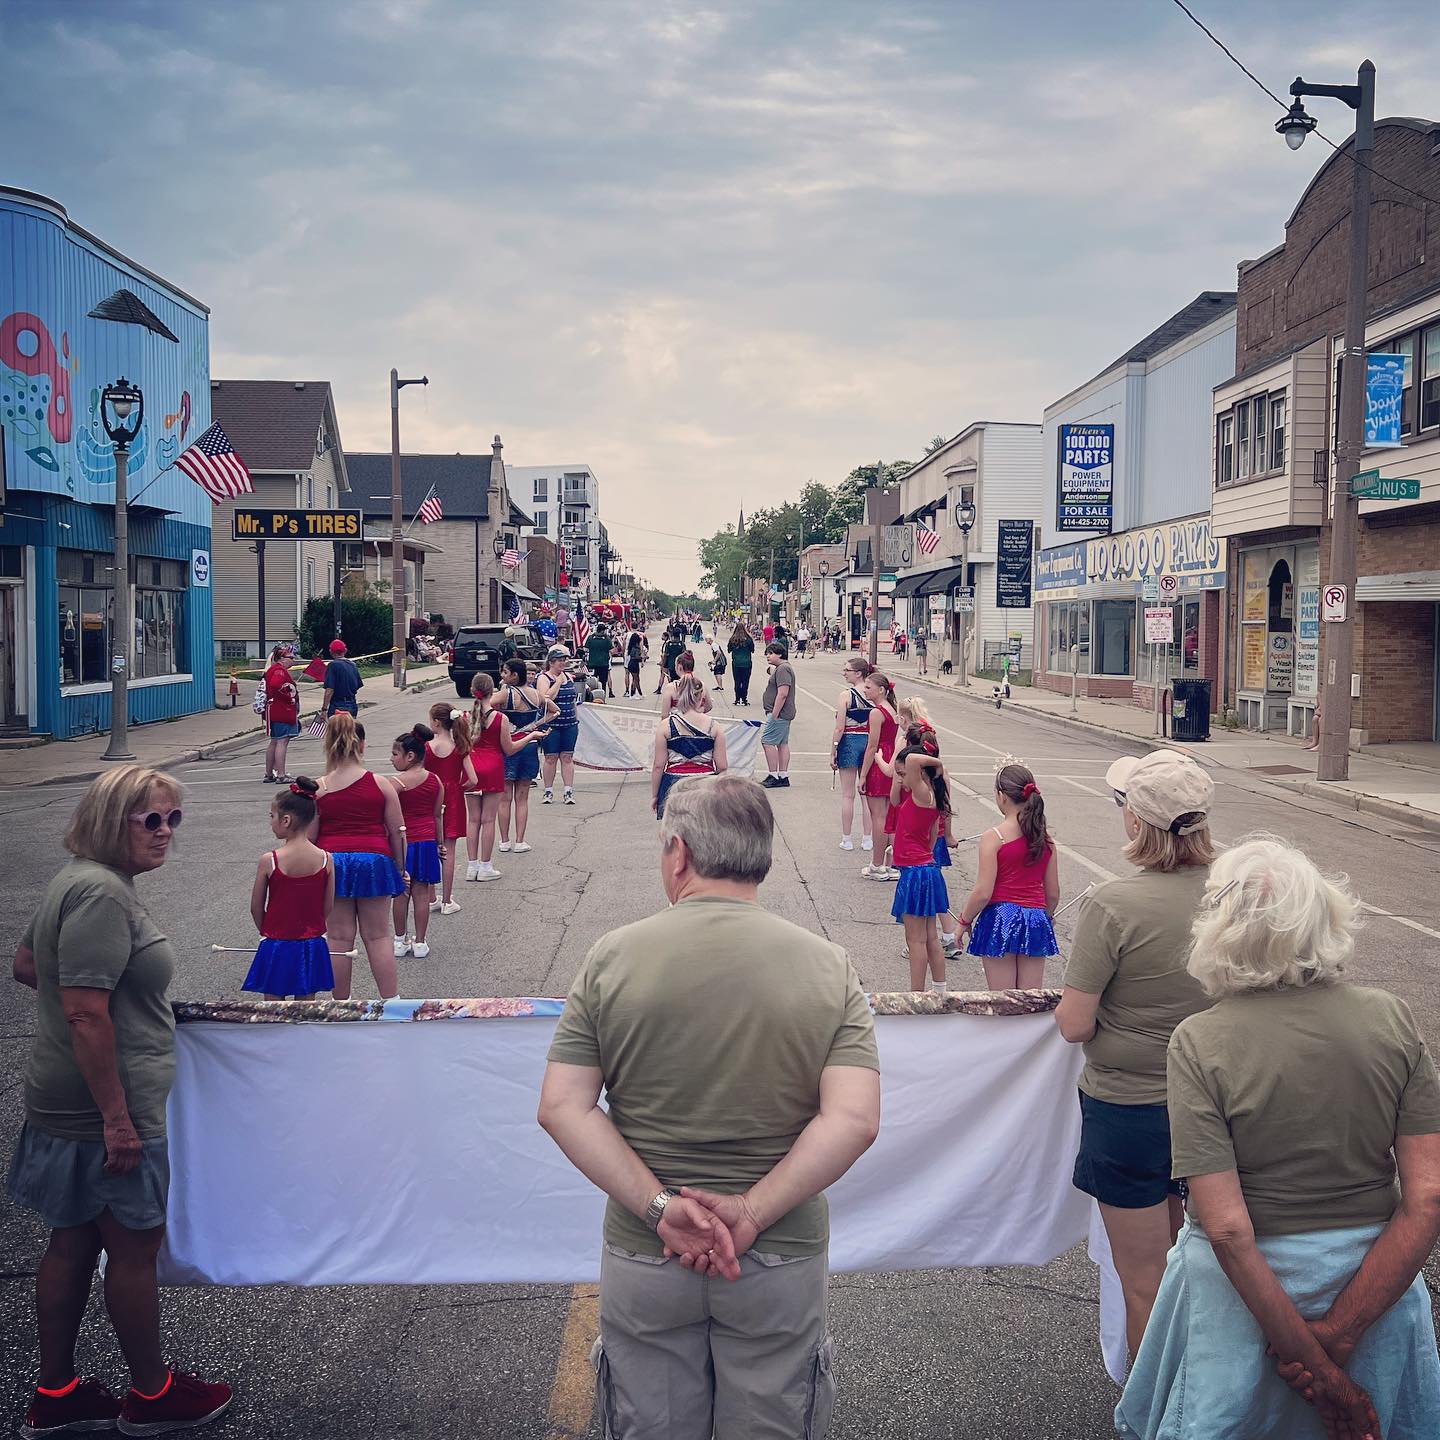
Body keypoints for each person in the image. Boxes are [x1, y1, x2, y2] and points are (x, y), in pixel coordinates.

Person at [537, 775, 881, 1440]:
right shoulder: (828, 966)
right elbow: (854, 1119)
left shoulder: (612, 957)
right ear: (763, 857)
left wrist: (661, 1208)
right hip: (778, 1252)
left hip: (648, 1252)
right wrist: (751, 1211)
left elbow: (562, 1107)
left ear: (679, 854)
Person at [1116, 836, 1440, 1440]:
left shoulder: (1199, 1041)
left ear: (1219, 930)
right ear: (1326, 918)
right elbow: (1428, 1198)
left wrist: (1315, 1364)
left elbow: (1229, 1228)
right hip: (1374, 1280)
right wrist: (1340, 1337)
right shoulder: (1391, 1016)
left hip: (1247, 1299)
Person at [9, 766, 233, 1437]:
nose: (166, 833)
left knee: (72, 1241)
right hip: (105, 1107)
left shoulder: (76, 881)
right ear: (113, 822)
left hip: (64, 1098)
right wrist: (117, 1118)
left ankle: (56, 1395)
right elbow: (83, 1011)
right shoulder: (102, 894)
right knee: (132, 1251)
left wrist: (120, 1007)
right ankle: (152, 1395)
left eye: (174, 819)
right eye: (151, 820)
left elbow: (29, 965)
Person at [1054, 750, 1215, 1366]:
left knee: (1145, 1281)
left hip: (1133, 1108)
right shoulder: (1238, 890)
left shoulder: (1114, 904)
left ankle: (1156, 1414)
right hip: (1219, 1102)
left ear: (1137, 822)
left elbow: (1074, 1023)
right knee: (1210, 1264)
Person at [315, 714, 406, 1000]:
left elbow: (310, 838)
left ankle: (340, 1004)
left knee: (339, 938)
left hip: (334, 863)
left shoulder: (319, 788)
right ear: (362, 745)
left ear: (329, 745)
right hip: (374, 861)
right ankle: (391, 1002)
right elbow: (397, 832)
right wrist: (401, 869)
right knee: (378, 936)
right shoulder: (380, 784)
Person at [957, 762, 1059, 990]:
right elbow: (1052, 893)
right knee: (1029, 1000)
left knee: (1004, 1001)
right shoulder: (1045, 839)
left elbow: (983, 892)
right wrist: (1047, 916)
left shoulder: (994, 837)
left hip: (1001, 918)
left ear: (1002, 796)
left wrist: (964, 920)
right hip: (1034, 919)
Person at [244, 778, 335, 999]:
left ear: (286, 820)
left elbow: (256, 907)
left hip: (277, 944)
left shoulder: (270, 860)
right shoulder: (326, 859)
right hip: (311, 944)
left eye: (271, 816)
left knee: (273, 1011)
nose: (270, 821)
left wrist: (268, 931)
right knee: (306, 1009)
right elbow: (328, 906)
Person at [889, 734, 952, 993]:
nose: (901, 779)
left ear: (918, 774)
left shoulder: (923, 793)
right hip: (924, 868)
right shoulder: (930, 798)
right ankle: (940, 989)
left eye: (903, 774)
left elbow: (914, 758)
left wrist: (936, 763)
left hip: (916, 873)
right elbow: (931, 838)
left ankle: (917, 994)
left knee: (915, 940)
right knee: (930, 937)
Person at [467, 674, 546, 880]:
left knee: (473, 819)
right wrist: (530, 736)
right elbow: (509, 749)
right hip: (493, 767)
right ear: (492, 691)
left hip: (472, 769)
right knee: (488, 819)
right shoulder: (500, 718)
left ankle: (471, 865)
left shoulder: (467, 716)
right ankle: (486, 866)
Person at [388, 727, 444, 958]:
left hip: (404, 844)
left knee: (402, 893)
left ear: (410, 756)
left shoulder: (396, 784)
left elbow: (388, 818)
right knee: (422, 894)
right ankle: (420, 942)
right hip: (427, 842)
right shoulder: (435, 780)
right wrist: (440, 844)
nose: (391, 759)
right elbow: (437, 815)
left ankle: (400, 941)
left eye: (394, 754)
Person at [494, 658, 554, 855]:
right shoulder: (536, 694)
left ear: (513, 675)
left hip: (508, 744)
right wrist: (536, 725)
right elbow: (555, 710)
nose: (502, 675)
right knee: (522, 798)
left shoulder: (506, 694)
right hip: (529, 743)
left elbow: (486, 706)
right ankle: (520, 840)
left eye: (505, 672)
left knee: (505, 797)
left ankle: (504, 840)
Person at [423, 704, 476, 915]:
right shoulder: (460, 746)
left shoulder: (427, 747)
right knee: (449, 850)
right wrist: (457, 788)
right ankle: (447, 900)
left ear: (436, 722)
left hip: (431, 797)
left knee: (430, 846)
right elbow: (473, 779)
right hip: (452, 798)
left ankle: (431, 897)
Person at [651, 672, 728, 818]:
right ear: (701, 697)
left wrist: (655, 795)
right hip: (705, 784)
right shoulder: (715, 727)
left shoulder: (665, 726)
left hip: (673, 785)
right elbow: (722, 767)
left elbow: (658, 766)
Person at [857, 671, 900, 878]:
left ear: (881, 689)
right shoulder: (892, 709)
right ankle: (892, 864)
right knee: (890, 814)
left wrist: (863, 774)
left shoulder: (876, 712)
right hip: (891, 757)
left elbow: (872, 745)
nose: (865, 690)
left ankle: (877, 864)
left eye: (868, 687)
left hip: (879, 760)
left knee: (879, 816)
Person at [830, 658, 875, 852]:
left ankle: (847, 838)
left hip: (849, 741)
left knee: (848, 795)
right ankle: (867, 838)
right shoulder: (873, 693)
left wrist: (833, 750)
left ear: (858, 673)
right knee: (866, 794)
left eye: (847, 670)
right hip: (869, 742)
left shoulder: (846, 695)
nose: (844, 672)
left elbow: (840, 727)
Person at [537, 646, 580, 805]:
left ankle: (568, 790)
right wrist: (558, 682)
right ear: (551, 662)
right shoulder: (544, 678)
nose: (563, 663)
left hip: (569, 723)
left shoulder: (568, 676)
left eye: (564, 660)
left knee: (567, 757)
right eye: (559, 661)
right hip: (551, 725)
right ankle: (548, 791)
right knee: (551, 757)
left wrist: (576, 719)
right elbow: (546, 698)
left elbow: (573, 700)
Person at [760, 642, 796, 790]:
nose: (768, 656)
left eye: (770, 653)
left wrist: (774, 714)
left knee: (767, 741)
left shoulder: (783, 669)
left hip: (779, 713)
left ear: (779, 654)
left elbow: (783, 693)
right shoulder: (781, 668)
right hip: (783, 713)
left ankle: (774, 774)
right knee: (782, 743)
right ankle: (782, 774)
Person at [261, 644, 299, 784]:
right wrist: (289, 694)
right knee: (282, 741)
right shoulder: (279, 671)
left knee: (275, 741)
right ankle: (281, 775)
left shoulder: (273, 669)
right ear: (282, 658)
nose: (293, 660)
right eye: (291, 657)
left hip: (274, 710)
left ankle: (269, 773)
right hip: (282, 709)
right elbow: (277, 685)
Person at [660, 651, 714, 721]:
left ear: (679, 667)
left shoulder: (671, 688)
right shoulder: (701, 686)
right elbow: (709, 706)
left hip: (677, 727)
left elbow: (664, 716)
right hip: (697, 726)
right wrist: (698, 711)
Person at [320, 638, 363, 719]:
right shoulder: (353, 665)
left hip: (338, 704)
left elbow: (329, 690)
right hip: (352, 704)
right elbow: (357, 685)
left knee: (337, 730)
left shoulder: (333, 665)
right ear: (345, 650)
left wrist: (324, 709)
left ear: (331, 652)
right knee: (349, 730)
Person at [727, 621, 755, 706]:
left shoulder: (733, 639)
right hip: (747, 663)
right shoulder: (748, 639)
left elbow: (729, 650)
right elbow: (752, 650)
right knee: (745, 681)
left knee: (737, 681)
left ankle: (737, 698)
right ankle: (744, 699)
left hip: (736, 663)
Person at [586, 623, 615, 699]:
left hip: (592, 663)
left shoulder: (590, 638)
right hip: (603, 664)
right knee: (603, 682)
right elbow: (612, 651)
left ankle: (592, 697)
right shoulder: (606, 639)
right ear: (602, 631)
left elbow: (586, 649)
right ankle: (602, 697)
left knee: (592, 682)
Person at [624, 625, 645, 698]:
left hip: (632, 663)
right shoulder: (635, 648)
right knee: (636, 680)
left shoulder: (631, 647)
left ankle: (632, 693)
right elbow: (635, 656)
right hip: (634, 664)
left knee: (634, 679)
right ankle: (640, 693)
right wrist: (642, 657)